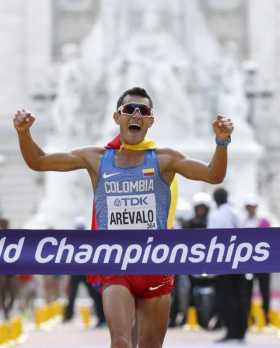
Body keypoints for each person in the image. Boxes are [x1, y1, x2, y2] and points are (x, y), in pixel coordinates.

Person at [14, 87, 233, 348]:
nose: (137, 115)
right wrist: (24, 133)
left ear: (151, 121)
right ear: (117, 117)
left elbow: (213, 175)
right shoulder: (96, 159)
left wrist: (221, 142)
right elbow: (39, 162)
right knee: (120, 342)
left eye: (144, 111)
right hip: (116, 263)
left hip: (155, 264)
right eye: (129, 110)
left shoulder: (165, 159)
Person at [208, 188, 248, 343]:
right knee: (239, 296)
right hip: (239, 260)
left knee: (226, 297)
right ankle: (241, 331)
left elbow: (212, 239)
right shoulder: (235, 213)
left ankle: (231, 331)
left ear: (216, 200)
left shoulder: (215, 216)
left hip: (223, 261)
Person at [242, 194, 271, 325]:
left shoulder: (263, 221)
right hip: (249, 263)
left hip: (263, 263)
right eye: (249, 207)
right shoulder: (243, 222)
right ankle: (249, 318)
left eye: (253, 207)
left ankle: (266, 317)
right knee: (247, 291)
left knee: (265, 290)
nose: (251, 209)